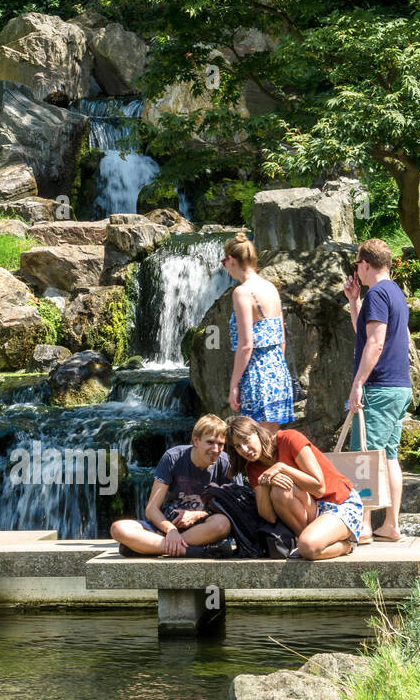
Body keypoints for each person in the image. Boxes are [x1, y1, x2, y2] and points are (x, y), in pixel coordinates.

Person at [343, 238, 412, 543]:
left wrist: (358, 384)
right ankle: (391, 525)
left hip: (379, 387)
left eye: (356, 264)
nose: (355, 270)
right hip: (399, 387)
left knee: (364, 456)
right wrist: (353, 302)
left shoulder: (378, 295)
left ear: (366, 264)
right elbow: (367, 333)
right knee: (389, 457)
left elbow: (375, 342)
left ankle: (366, 525)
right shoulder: (393, 292)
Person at [226, 415, 363, 560]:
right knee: (279, 490)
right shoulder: (253, 467)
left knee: (308, 548)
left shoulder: (289, 439)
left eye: (246, 441)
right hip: (312, 508)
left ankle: (346, 546)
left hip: (340, 503)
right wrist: (266, 485)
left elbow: (319, 487)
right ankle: (307, 540)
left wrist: (282, 467)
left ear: (258, 432)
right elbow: (269, 517)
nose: (244, 449)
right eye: (237, 446)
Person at [110, 414, 235, 556]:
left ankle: (151, 546)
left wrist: (197, 515)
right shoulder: (172, 457)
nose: (216, 449)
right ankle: (194, 551)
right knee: (119, 528)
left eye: (220, 444)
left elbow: (233, 510)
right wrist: (171, 530)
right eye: (210, 442)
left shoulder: (226, 463)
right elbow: (151, 509)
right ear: (196, 440)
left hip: (203, 528)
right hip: (168, 526)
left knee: (222, 524)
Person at [225, 232, 295, 433]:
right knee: (270, 440)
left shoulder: (242, 293)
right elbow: (281, 338)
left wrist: (234, 385)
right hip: (278, 371)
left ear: (231, 260)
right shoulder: (270, 287)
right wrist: (274, 370)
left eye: (224, 261)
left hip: (256, 375)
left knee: (253, 442)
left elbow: (246, 345)